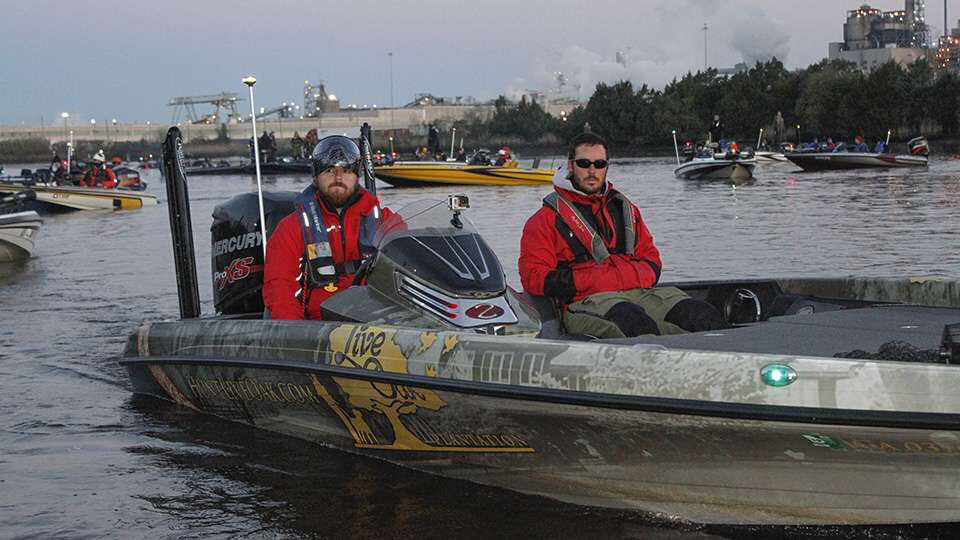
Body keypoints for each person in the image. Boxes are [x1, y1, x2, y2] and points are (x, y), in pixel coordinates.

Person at [518, 132, 726, 339]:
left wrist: (620, 278)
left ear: (607, 166)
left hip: (641, 294)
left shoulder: (626, 209)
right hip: (585, 301)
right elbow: (534, 278)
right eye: (584, 163)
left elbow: (653, 262)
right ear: (571, 166)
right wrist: (599, 279)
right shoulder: (544, 220)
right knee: (635, 325)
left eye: (599, 164)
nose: (592, 171)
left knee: (704, 317)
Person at [263, 135, 392, 320]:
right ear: (316, 176)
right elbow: (280, 286)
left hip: (378, 325)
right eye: (329, 170)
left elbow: (411, 263)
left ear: (357, 175)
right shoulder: (291, 228)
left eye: (346, 170)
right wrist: (295, 335)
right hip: (320, 329)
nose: (338, 177)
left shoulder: (385, 221)